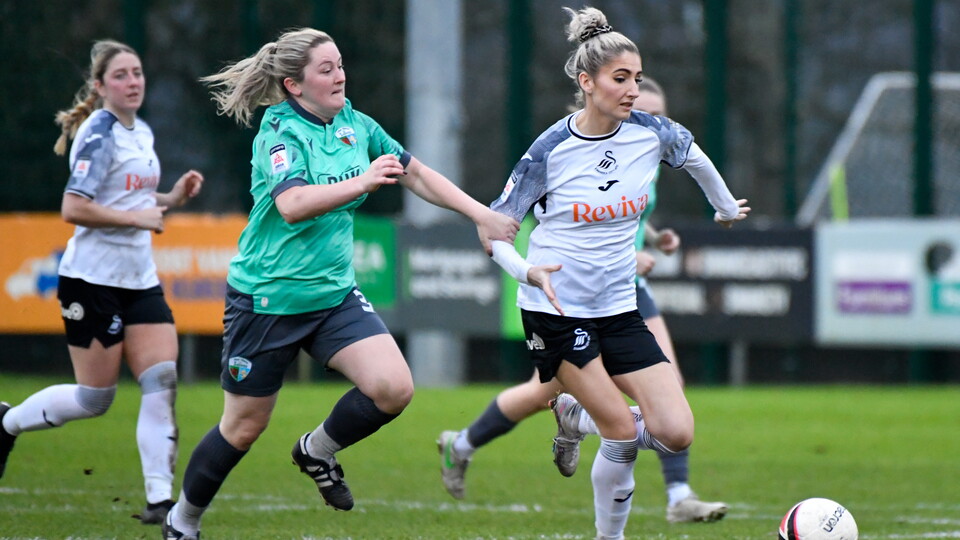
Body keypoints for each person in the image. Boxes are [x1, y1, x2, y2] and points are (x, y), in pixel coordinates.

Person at [160, 28, 518, 540]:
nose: (340, 76)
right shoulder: (279, 131)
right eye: (325, 69)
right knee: (243, 427)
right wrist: (364, 181)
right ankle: (182, 521)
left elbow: (414, 173)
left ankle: (316, 450)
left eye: (340, 64)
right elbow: (292, 205)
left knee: (394, 389)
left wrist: (481, 215)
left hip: (331, 295)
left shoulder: (355, 123)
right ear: (293, 85)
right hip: (268, 299)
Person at [482, 7, 749, 539]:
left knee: (676, 432)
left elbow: (693, 156)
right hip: (555, 313)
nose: (632, 90)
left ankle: (572, 416)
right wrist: (527, 271)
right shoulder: (549, 151)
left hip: (618, 308)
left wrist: (722, 208)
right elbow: (494, 233)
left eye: (637, 78)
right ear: (587, 82)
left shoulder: (651, 132)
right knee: (623, 432)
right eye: (620, 79)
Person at [437, 77, 728, 524]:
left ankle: (677, 494)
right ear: (594, 89)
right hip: (565, 294)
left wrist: (655, 238)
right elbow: (568, 210)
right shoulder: (564, 147)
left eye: (647, 103)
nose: (637, 108)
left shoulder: (647, 141)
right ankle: (463, 443)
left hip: (623, 293)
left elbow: (628, 210)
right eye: (627, 91)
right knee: (549, 396)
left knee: (666, 405)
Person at [0, 39, 204, 526]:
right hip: (91, 280)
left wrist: (171, 197)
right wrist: (140, 222)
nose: (133, 82)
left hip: (139, 279)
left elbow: (130, 197)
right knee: (95, 399)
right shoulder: (99, 133)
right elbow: (75, 207)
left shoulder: (142, 131)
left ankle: (160, 500)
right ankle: (6, 423)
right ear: (99, 86)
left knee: (162, 379)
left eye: (137, 73)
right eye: (121, 75)